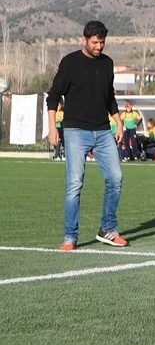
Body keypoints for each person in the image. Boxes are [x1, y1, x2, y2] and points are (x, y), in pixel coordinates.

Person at [46, 20, 127, 251]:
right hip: (75, 131)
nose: (99, 46)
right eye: (95, 42)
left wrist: (118, 123)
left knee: (116, 178)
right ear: (84, 40)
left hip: (103, 131)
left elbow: (109, 98)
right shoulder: (70, 62)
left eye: (102, 42)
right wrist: (53, 127)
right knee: (74, 184)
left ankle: (108, 229)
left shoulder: (107, 63)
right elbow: (53, 97)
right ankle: (70, 236)